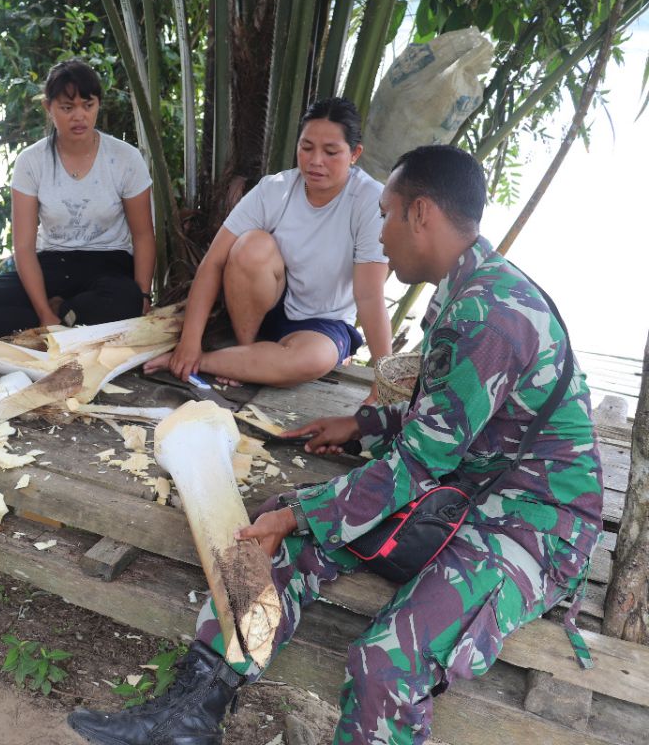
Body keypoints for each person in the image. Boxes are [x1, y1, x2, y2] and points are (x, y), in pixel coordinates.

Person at [67, 145, 603, 745]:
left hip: (532, 522)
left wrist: (306, 510)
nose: (379, 231)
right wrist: (362, 427)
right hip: (463, 489)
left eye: (387, 214)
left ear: (421, 214)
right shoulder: (467, 287)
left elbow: (420, 465)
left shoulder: (491, 316)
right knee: (272, 534)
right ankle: (188, 717)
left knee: (386, 662)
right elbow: (452, 419)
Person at [144, 97, 390, 389]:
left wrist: (384, 379)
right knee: (251, 246)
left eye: (331, 151)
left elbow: (370, 296)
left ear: (354, 154)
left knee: (315, 360)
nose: (315, 161)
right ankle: (246, 351)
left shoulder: (370, 201)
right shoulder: (275, 189)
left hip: (322, 326)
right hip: (266, 312)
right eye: (306, 147)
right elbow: (215, 261)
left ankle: (222, 362)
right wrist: (189, 340)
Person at [0, 59, 155, 337]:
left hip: (109, 266)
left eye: (87, 106)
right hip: (50, 265)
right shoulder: (31, 161)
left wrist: (144, 296)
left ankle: (62, 312)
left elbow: (143, 236)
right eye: (67, 108)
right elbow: (24, 246)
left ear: (98, 105)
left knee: (126, 300)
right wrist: (43, 311)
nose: (79, 116)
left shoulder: (126, 158)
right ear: (49, 107)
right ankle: (60, 317)